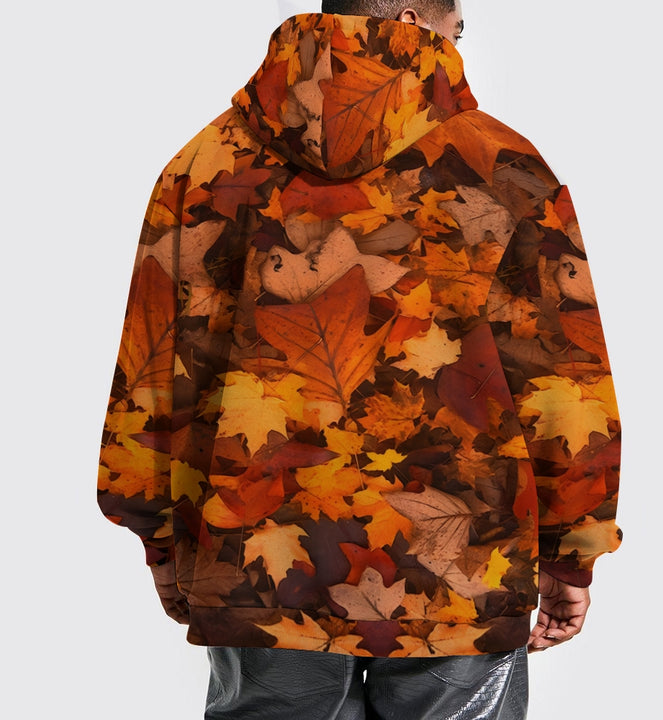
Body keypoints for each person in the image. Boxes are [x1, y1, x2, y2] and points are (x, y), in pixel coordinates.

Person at [98, 1, 622, 717]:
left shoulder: (207, 164)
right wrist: (572, 552)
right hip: (464, 569)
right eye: (457, 29)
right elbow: (565, 385)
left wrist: (163, 539)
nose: (458, 45)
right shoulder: (502, 166)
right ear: (412, 17)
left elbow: (154, 373)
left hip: (258, 563)